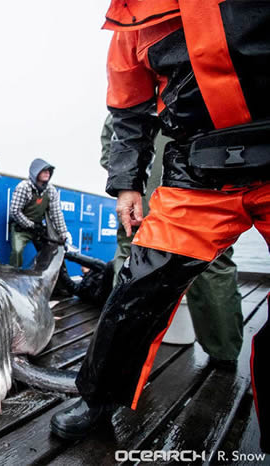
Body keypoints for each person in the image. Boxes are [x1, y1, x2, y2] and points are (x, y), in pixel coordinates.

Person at [50, 0, 270, 451]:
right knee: (136, 285)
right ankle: (99, 397)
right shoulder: (130, 17)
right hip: (198, 172)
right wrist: (126, 185)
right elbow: (127, 110)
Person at [101, 114, 244, 366]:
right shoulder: (204, 84)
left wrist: (128, 180)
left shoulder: (132, 99)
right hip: (203, 190)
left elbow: (111, 146)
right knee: (212, 265)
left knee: (130, 262)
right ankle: (224, 351)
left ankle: (116, 351)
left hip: (141, 194)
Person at [8, 158, 76, 297]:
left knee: (50, 253)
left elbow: (56, 213)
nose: (47, 173)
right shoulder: (23, 187)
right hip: (21, 228)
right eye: (43, 170)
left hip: (39, 228)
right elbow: (14, 211)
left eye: (48, 171)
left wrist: (63, 232)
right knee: (17, 251)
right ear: (35, 172)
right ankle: (12, 285)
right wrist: (30, 225)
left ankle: (55, 286)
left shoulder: (51, 191)